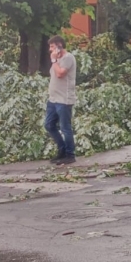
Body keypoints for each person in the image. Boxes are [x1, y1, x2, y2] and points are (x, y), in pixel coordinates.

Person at [45, 35, 77, 165]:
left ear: (59, 46)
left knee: (65, 128)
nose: (50, 49)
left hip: (64, 100)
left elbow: (60, 74)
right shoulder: (58, 59)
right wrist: (55, 60)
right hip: (53, 99)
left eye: (52, 46)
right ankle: (62, 150)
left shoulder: (68, 58)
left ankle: (70, 155)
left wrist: (53, 60)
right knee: (49, 125)